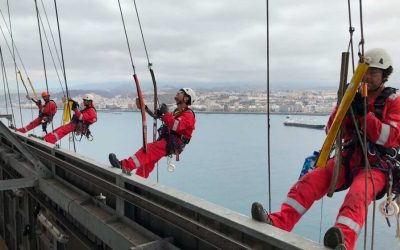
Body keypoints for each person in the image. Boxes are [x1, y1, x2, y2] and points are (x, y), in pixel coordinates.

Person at [251, 48, 400, 250]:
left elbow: (390, 137)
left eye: (374, 72)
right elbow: (331, 129)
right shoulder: (352, 96)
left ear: (384, 75)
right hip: (348, 158)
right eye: (365, 71)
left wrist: (365, 115)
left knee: (358, 194)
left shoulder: (393, 101)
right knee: (310, 181)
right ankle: (278, 223)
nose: (367, 76)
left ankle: (343, 243)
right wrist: (344, 107)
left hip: (376, 166)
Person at [109, 88, 196, 178]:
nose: (178, 92)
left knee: (148, 149)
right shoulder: (178, 112)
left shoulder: (188, 115)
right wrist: (150, 110)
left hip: (173, 143)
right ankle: (139, 182)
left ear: (186, 98)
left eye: (181, 93)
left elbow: (176, 125)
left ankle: (124, 166)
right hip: (169, 141)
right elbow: (169, 121)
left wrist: (165, 114)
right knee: (148, 161)